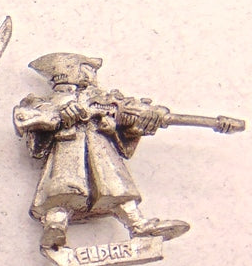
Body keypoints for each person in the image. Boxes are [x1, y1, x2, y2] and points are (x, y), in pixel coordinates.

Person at [12, 52, 188, 249]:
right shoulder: (47, 103)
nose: (91, 73)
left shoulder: (104, 99)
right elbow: (34, 131)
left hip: (101, 152)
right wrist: (62, 117)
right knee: (62, 191)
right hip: (66, 155)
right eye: (87, 68)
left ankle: (137, 224)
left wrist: (135, 125)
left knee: (117, 186)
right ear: (70, 71)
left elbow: (126, 121)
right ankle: (55, 228)